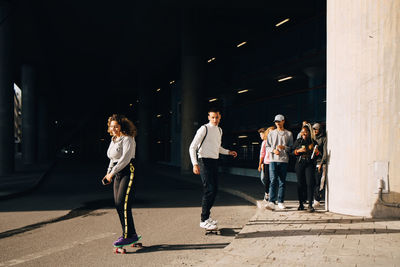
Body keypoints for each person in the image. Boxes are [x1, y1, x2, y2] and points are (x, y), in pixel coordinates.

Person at [189, 107, 237, 230]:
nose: (215, 119)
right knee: (209, 189)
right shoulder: (204, 129)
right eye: (213, 117)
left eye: (217, 117)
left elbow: (218, 147)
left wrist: (228, 152)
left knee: (214, 190)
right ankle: (203, 220)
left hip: (214, 161)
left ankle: (207, 217)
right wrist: (195, 164)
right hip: (203, 161)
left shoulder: (219, 130)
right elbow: (192, 147)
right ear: (209, 117)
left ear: (220, 118)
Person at [103, 114, 140, 247]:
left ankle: (126, 236)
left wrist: (112, 173)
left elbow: (125, 159)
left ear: (122, 126)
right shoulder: (113, 139)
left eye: (116, 126)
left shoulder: (128, 139)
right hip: (117, 172)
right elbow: (112, 159)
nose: (113, 129)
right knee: (119, 205)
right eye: (111, 126)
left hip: (128, 171)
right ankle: (132, 234)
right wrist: (108, 174)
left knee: (122, 204)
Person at [265, 114, 294, 210]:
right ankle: (271, 202)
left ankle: (281, 201)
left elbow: (291, 148)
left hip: (284, 160)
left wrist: (284, 147)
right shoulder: (271, 133)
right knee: (273, 180)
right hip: (273, 160)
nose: (277, 123)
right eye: (276, 122)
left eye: (279, 121)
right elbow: (267, 147)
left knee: (282, 181)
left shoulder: (289, 134)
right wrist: (273, 151)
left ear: (283, 121)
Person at [292, 126, 317, 212]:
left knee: (310, 183)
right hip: (300, 163)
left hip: (309, 163)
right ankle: (301, 204)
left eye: (306, 132)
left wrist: (316, 152)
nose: (304, 133)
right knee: (300, 184)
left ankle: (310, 205)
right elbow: (292, 152)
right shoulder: (298, 141)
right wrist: (298, 151)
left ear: (309, 133)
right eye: (302, 132)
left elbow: (317, 154)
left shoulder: (313, 141)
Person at [258, 126, 276, 203]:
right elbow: (262, 154)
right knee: (266, 179)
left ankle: (271, 196)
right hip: (267, 162)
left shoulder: (276, 142)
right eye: (270, 132)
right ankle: (267, 194)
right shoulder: (265, 142)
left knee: (273, 180)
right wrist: (260, 164)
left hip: (274, 162)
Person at [312, 123, 327, 207]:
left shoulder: (323, 139)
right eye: (313, 129)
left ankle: (317, 199)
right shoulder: (312, 139)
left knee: (319, 182)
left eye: (316, 129)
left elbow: (325, 153)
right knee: (313, 181)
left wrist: (321, 163)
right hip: (312, 163)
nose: (315, 131)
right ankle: (313, 199)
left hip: (319, 163)